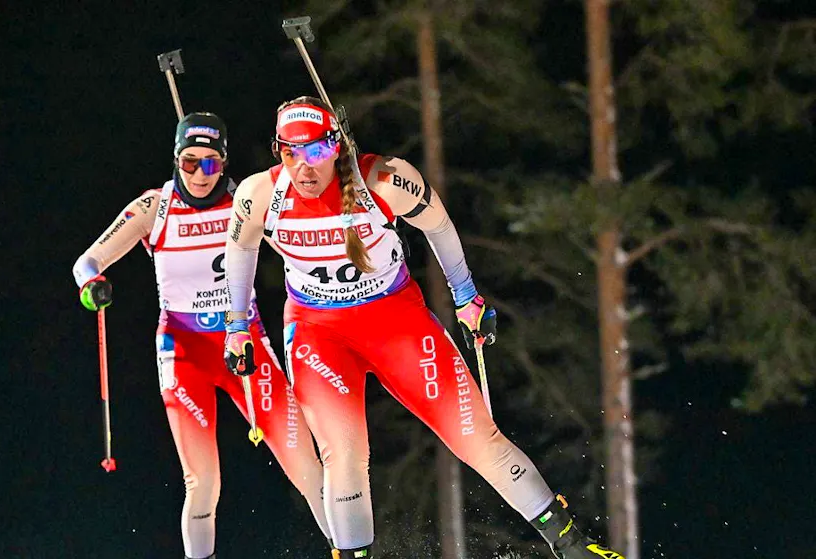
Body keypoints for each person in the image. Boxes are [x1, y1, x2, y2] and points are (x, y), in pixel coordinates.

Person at [221, 97, 625, 559]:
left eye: (314, 151)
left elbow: (439, 224)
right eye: (289, 153)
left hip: (395, 321)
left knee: (476, 436)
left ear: (336, 147)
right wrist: (237, 326)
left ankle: (573, 546)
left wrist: (466, 297)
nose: (303, 167)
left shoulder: (384, 180)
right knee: (344, 455)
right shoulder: (259, 196)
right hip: (319, 332)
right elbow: (241, 249)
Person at [73, 112, 331, 559]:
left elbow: (302, 238)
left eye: (210, 164)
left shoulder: (246, 201)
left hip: (242, 343)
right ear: (176, 160)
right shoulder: (155, 207)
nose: (199, 174)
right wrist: (92, 286)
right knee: (203, 483)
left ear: (225, 163)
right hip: (184, 350)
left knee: (306, 465)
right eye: (189, 163)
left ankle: (345, 547)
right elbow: (87, 262)